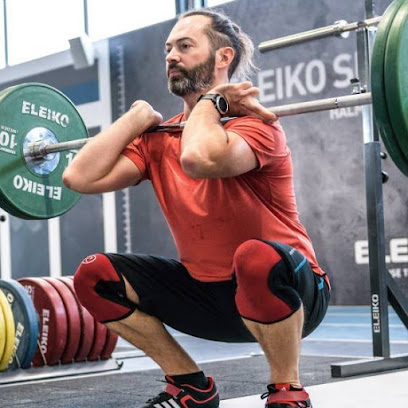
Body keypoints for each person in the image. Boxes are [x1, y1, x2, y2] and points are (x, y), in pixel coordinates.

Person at [63, 8, 330, 408]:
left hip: (293, 292)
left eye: (185, 46)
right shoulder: (158, 139)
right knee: (94, 276)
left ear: (223, 57)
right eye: (168, 49)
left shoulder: (256, 125)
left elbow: (199, 159)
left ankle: (288, 392)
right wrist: (135, 119)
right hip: (211, 300)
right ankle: (191, 386)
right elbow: (78, 177)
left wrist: (211, 102)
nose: (172, 56)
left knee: (254, 257)